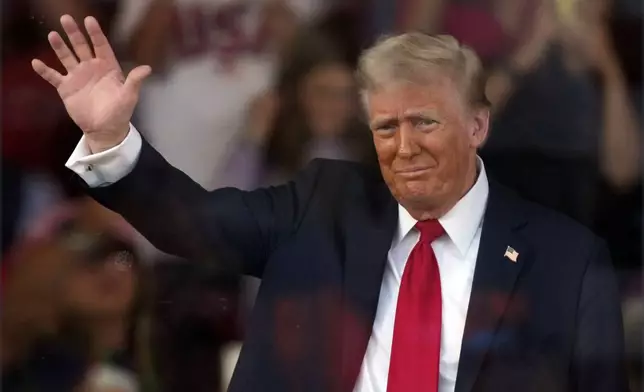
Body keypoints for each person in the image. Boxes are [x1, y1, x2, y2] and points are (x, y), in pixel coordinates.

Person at [32, 15, 627, 392]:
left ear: (477, 126)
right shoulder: (322, 204)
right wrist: (112, 140)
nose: (404, 147)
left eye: (424, 122)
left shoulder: (567, 260)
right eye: (385, 127)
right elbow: (195, 224)